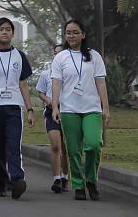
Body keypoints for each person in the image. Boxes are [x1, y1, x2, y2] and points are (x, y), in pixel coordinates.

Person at [51, 19, 109, 202]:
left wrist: (105, 107)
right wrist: (54, 106)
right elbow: (56, 83)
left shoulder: (94, 56)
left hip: (92, 108)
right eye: (68, 32)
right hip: (69, 109)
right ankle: (78, 184)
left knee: (93, 144)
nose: (72, 36)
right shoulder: (61, 57)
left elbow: (100, 82)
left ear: (83, 35)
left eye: (75, 32)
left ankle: (91, 180)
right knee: (74, 150)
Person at [0, 17, 35, 200]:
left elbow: (24, 84)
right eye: (0, 29)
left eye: (8, 29)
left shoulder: (19, 55)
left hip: (13, 107)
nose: (4, 32)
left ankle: (17, 179)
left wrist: (30, 109)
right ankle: (1, 181)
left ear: (12, 33)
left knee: (13, 144)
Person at [36, 44, 69, 192]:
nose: (58, 56)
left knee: (66, 147)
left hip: (69, 112)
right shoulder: (46, 74)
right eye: (55, 53)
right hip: (51, 112)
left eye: (61, 53)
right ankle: (56, 179)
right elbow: (40, 92)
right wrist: (48, 100)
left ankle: (65, 176)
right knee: (56, 145)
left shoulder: (71, 73)